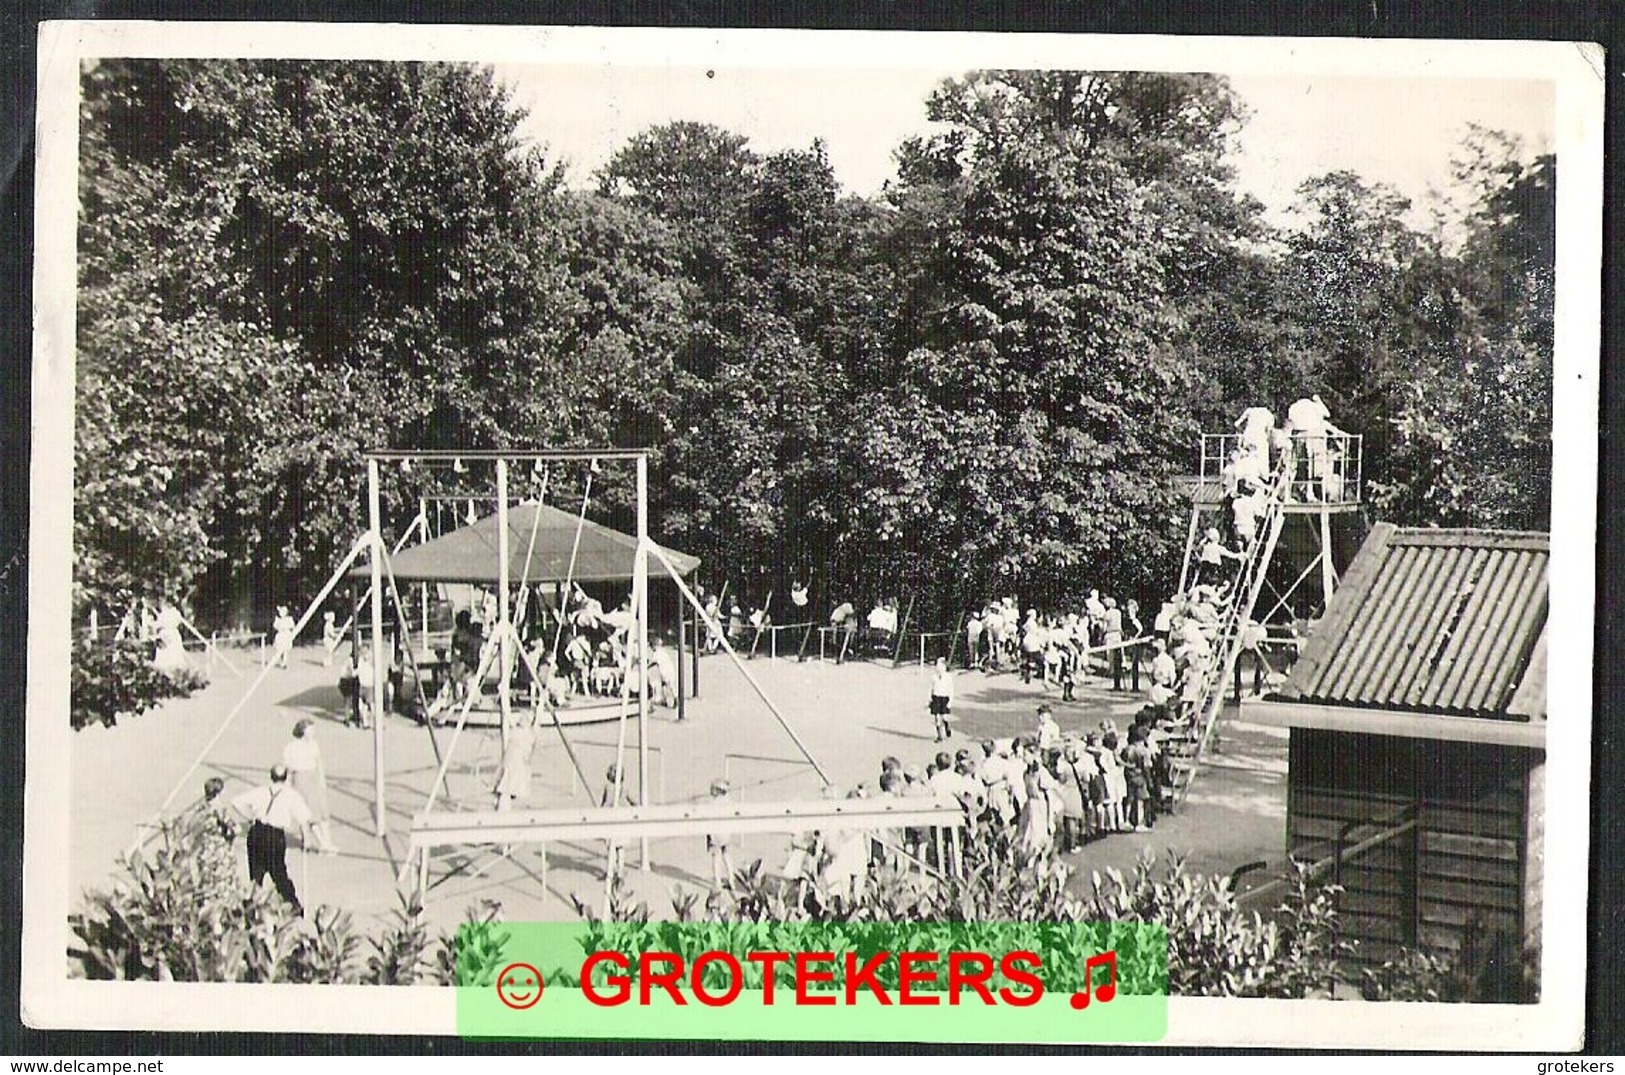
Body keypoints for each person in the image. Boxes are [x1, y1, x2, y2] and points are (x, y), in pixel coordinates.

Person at [231, 765, 314, 915]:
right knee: (279, 873)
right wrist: (306, 840)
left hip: (257, 832)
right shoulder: (291, 795)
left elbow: (236, 802)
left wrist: (249, 817)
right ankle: (292, 904)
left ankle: (252, 906)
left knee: (256, 873)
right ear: (286, 777)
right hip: (275, 836)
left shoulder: (261, 791)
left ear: (271, 776)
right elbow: (303, 820)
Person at [281, 719, 337, 854]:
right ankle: (319, 843)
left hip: (313, 778)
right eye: (310, 730)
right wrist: (288, 783)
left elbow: (319, 762)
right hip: (300, 779)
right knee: (309, 813)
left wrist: (321, 778)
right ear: (302, 731)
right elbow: (287, 767)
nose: (313, 733)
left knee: (322, 811)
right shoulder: (292, 747)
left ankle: (326, 841)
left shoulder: (314, 744)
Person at [187, 776, 241, 901]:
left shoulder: (201, 807)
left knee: (207, 878)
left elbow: (192, 825)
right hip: (219, 849)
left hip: (204, 847)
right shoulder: (219, 808)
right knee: (224, 878)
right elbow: (235, 828)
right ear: (218, 793)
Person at [493, 709, 538, 812]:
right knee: (504, 787)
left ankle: (502, 807)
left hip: (516, 764)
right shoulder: (516, 730)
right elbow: (508, 720)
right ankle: (501, 806)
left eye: (525, 718)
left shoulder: (530, 734)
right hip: (509, 762)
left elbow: (537, 722)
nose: (522, 719)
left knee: (508, 787)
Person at [706, 778, 738, 890]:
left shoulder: (713, 804)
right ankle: (731, 879)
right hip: (727, 832)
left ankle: (718, 882)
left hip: (716, 832)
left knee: (716, 857)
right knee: (727, 856)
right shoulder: (729, 801)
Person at [929, 657, 955, 742]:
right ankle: (939, 736)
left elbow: (951, 690)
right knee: (937, 717)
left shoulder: (948, 677)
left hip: (944, 698)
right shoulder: (934, 677)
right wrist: (930, 698)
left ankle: (947, 727)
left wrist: (950, 702)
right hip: (936, 697)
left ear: (944, 667)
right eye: (937, 666)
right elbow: (931, 688)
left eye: (940, 666)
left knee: (944, 717)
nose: (938, 668)